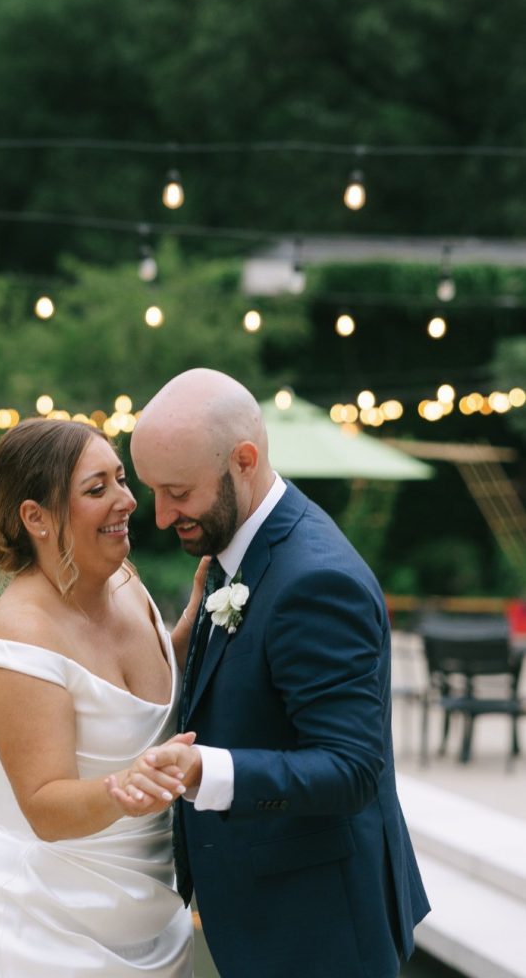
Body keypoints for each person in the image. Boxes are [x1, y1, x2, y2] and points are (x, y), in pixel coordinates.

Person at [108, 368, 430, 978]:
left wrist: (209, 769)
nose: (159, 515)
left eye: (177, 491)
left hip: (321, 931)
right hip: (274, 914)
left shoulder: (315, 580)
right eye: (153, 490)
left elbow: (352, 768)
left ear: (244, 461)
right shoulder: (236, 550)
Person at [0, 417, 205, 977]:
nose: (127, 501)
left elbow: (142, 701)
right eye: (97, 489)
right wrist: (124, 790)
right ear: (36, 518)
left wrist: (198, 623)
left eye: (120, 480)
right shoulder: (19, 636)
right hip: (43, 922)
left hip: (154, 914)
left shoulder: (126, 583)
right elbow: (43, 804)